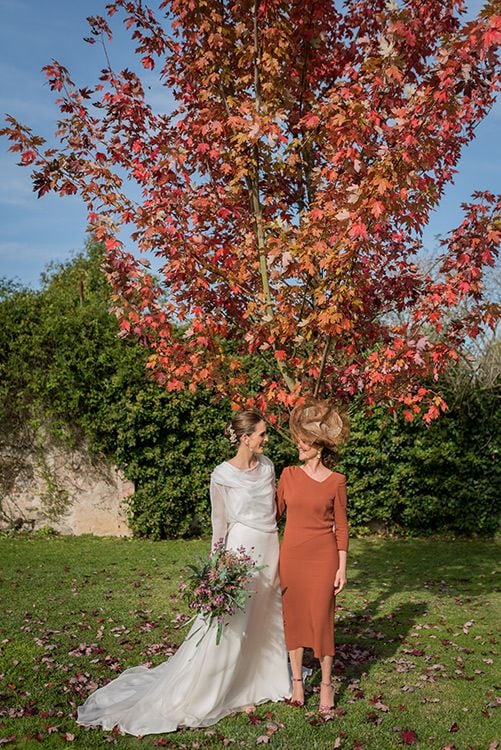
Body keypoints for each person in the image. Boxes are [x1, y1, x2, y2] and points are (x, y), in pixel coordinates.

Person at [77, 411, 291, 736]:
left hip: (269, 547)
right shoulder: (221, 475)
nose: (266, 439)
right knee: (234, 623)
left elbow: (272, 511)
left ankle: (259, 680)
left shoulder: (268, 466)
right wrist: (217, 565)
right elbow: (220, 525)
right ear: (245, 437)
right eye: (261, 434)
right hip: (240, 553)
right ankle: (214, 688)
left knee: (265, 617)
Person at [277, 398, 349, 713]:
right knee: (293, 618)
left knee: (322, 620)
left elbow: (342, 528)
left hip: (324, 558)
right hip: (291, 556)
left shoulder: (337, 481)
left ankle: (326, 685)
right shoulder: (288, 475)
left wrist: (342, 568)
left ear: (318, 446)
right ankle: (296, 682)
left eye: (303, 442)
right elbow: (271, 515)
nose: (298, 447)